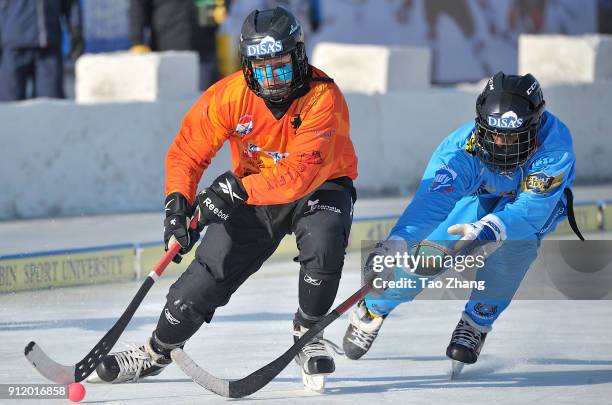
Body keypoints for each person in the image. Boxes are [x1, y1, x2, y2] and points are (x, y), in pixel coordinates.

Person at [89, 6, 357, 391]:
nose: (272, 79)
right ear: (246, 65)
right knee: (206, 276)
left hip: (322, 184)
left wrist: (234, 190)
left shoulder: (322, 97)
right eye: (261, 67)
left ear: (299, 57)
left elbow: (301, 174)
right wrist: (177, 203)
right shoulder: (230, 95)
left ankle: (308, 330)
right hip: (255, 188)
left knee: (326, 236)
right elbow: (188, 152)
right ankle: (157, 349)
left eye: (280, 66)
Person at [342, 72, 583, 371]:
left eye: (513, 138)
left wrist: (493, 227)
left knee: (514, 250)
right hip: (480, 197)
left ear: (536, 127)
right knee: (428, 256)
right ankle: (373, 308)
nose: (500, 146)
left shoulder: (554, 147)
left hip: (529, 204)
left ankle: (477, 321)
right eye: (492, 134)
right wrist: (397, 242)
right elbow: (430, 205)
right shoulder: (459, 151)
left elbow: (532, 208)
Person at [0, 0, 83, 101]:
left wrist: (76, 30)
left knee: (51, 104)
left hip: (48, 50)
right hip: (12, 49)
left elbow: (71, 3)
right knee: (9, 106)